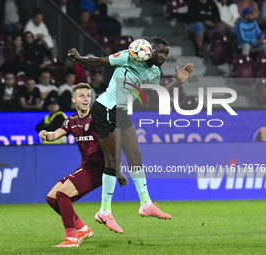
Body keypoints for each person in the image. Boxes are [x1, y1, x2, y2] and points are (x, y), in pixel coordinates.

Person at [68, 37, 194, 233]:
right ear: (149, 50)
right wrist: (80, 58)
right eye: (160, 52)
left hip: (122, 112)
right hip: (105, 108)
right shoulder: (128, 56)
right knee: (112, 161)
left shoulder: (154, 72)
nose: (162, 56)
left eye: (166, 54)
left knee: (135, 156)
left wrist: (178, 82)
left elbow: (153, 96)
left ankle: (146, 204)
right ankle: (104, 211)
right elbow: (100, 61)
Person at [40, 83, 103, 247]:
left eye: (88, 96)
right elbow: (55, 135)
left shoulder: (97, 117)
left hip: (98, 168)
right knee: (52, 198)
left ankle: (71, 238)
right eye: (81, 96)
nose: (86, 99)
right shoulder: (72, 121)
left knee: (62, 194)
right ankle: (82, 228)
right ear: (73, 99)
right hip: (85, 166)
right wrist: (46, 135)